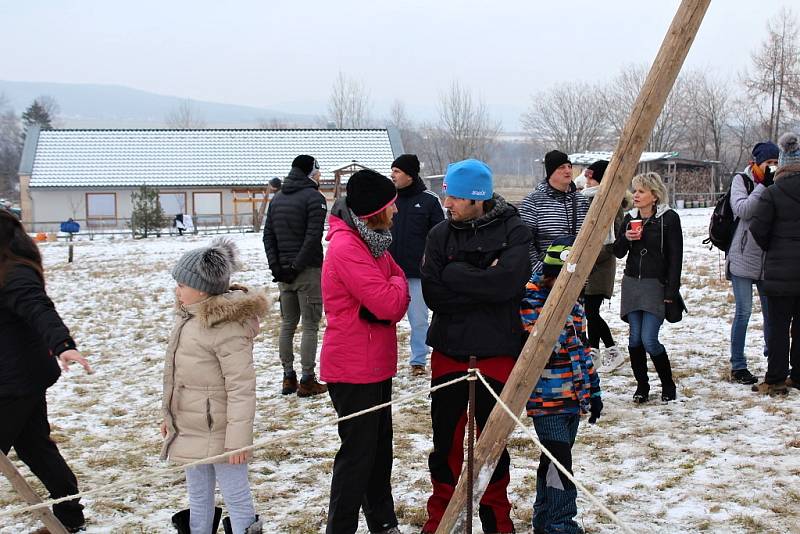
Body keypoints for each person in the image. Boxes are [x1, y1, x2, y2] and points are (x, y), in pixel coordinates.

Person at [420, 159, 532, 534]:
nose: (446, 202)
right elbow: (434, 293)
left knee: (492, 444)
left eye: (453, 195)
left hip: (497, 352)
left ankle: (497, 520)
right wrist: (484, 282)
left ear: (475, 197)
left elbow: (508, 286)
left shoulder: (515, 229)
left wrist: (458, 276)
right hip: (449, 352)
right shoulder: (439, 234)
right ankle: (441, 519)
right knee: (446, 443)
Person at [320, 169, 410, 534]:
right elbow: (390, 303)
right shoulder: (347, 247)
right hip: (353, 367)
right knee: (357, 457)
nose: (397, 211)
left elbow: (394, 282)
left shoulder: (372, 242)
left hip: (375, 363)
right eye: (392, 204)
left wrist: (394, 283)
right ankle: (340, 527)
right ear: (376, 210)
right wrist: (396, 284)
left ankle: (382, 522)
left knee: (379, 452)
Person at [161, 238, 267, 534]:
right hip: (191, 427)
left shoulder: (226, 328)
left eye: (182, 284)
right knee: (197, 495)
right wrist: (169, 417)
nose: (177, 290)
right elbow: (176, 377)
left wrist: (238, 440)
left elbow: (241, 387)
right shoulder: (187, 320)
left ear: (202, 288)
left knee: (235, 493)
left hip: (222, 433)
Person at [0, 208, 92, 533]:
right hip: (16, 380)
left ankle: (69, 514)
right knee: (35, 447)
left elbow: (41, 311)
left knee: (35, 447)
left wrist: (64, 345)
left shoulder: (15, 274)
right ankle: (68, 516)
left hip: (14, 385)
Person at [521, 236, 602, 534]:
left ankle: (544, 519)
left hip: (575, 398)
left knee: (553, 461)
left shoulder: (575, 305)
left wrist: (593, 391)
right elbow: (544, 347)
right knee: (561, 464)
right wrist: (556, 315)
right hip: (548, 401)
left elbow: (582, 349)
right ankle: (560, 523)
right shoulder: (529, 304)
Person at [613, 172, 683, 403]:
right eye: (635, 190)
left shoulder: (669, 218)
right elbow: (618, 252)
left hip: (656, 285)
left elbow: (676, 259)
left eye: (641, 191)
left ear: (654, 195)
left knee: (649, 339)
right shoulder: (629, 217)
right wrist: (627, 237)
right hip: (632, 284)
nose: (636, 195)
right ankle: (642, 386)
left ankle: (668, 385)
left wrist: (671, 293)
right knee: (634, 340)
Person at [263, 155, 328, 397]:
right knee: (310, 325)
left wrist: (277, 267)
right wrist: (296, 266)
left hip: (283, 274)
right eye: (318, 170)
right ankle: (307, 379)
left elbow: (268, 236)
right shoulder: (314, 198)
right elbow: (313, 238)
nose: (320, 175)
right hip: (307, 271)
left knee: (288, 323)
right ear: (311, 171)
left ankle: (287, 377)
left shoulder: (278, 198)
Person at [749, 132, 800, 395]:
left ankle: (777, 378)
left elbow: (758, 230)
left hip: (780, 273)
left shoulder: (772, 193)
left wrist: (772, 246)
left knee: (779, 328)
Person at [726, 141, 779, 385]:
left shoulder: (781, 182)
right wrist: (763, 187)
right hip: (742, 255)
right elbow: (742, 210)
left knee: (772, 314)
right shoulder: (742, 180)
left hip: (769, 257)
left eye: (776, 163)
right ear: (756, 163)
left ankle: (775, 360)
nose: (772, 168)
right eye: (768, 163)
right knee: (744, 312)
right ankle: (738, 364)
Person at [388, 154, 444, 376]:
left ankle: (418, 361)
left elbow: (439, 234)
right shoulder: (388, 200)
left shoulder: (429, 200)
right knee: (386, 321)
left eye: (397, 171)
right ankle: (386, 361)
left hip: (416, 274)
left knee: (419, 321)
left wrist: (430, 262)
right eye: (392, 170)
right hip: (389, 274)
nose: (392, 175)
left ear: (410, 175)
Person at [581, 160, 630, 372]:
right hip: (588, 263)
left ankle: (610, 350)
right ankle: (596, 352)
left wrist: (592, 255)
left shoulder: (612, 205)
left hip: (601, 264)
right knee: (588, 311)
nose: (587, 180)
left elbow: (616, 241)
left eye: (592, 177)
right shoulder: (589, 200)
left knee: (591, 311)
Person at [520, 150, 590, 273]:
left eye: (569, 166)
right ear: (550, 172)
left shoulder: (582, 201)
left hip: (577, 276)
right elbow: (523, 242)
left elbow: (589, 237)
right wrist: (541, 271)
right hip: (545, 279)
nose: (568, 171)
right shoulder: (533, 201)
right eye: (561, 167)